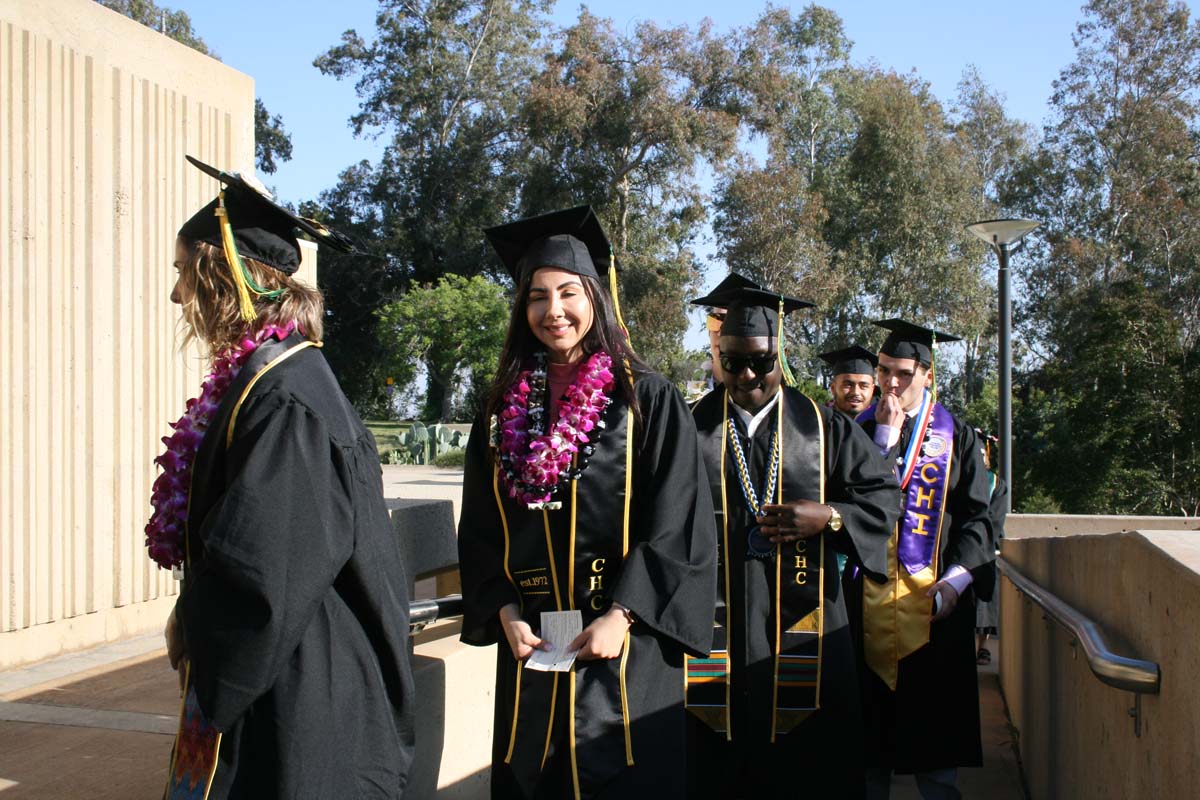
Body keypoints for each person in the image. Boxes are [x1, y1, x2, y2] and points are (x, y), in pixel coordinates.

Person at [152, 156, 415, 798]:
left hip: (299, 690)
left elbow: (262, 572)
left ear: (225, 279)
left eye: (187, 272)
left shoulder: (287, 397)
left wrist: (197, 625)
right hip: (288, 669)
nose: (178, 294)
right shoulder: (274, 381)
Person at [457, 205, 718, 800]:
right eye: (537, 296)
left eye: (569, 293)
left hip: (625, 651)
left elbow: (678, 523)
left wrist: (621, 614)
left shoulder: (646, 400)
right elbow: (479, 530)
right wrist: (503, 611)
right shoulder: (499, 412)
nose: (554, 312)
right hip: (533, 653)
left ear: (596, 298)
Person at [687, 285, 900, 798]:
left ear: (780, 354)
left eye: (760, 362)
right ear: (719, 356)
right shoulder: (689, 427)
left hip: (809, 621)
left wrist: (829, 515)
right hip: (718, 620)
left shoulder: (825, 427)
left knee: (808, 767)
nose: (747, 377)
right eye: (733, 362)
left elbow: (883, 500)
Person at [847, 319, 996, 800]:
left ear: (928, 374)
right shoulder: (858, 431)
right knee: (868, 755)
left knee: (935, 757)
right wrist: (884, 441)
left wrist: (957, 580)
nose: (891, 383)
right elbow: (845, 503)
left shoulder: (960, 438)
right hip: (863, 609)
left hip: (935, 610)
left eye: (904, 373)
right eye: (884, 370)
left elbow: (980, 517)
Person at [690, 272, 759, 391]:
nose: (720, 333)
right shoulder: (692, 392)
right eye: (715, 321)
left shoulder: (759, 394)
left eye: (729, 322)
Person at [973, 431, 1007, 666]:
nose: (980, 456)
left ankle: (982, 647)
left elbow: (996, 518)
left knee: (984, 599)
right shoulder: (956, 477)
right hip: (958, 548)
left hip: (984, 549)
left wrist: (980, 540)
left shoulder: (995, 482)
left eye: (983, 453)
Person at [819, 345, 879, 418]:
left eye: (864, 386)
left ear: (872, 390)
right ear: (833, 388)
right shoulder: (819, 422)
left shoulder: (882, 422)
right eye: (848, 385)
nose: (855, 392)